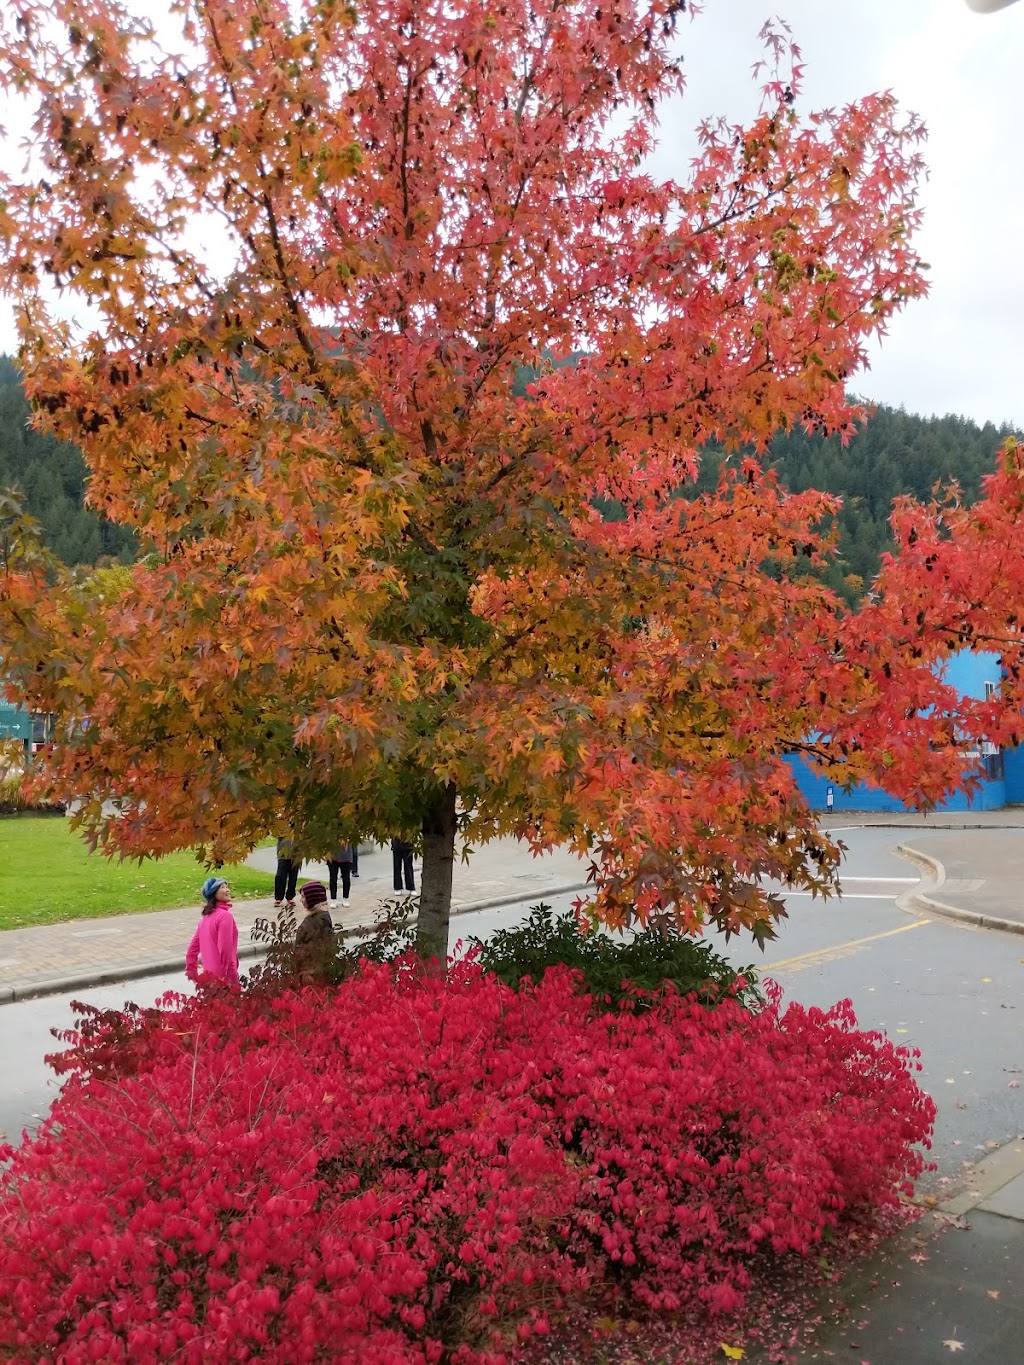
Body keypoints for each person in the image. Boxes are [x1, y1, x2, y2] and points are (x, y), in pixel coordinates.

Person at [185, 876, 240, 985]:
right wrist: (232, 980)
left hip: (209, 980)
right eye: (223, 887)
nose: (227, 889)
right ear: (214, 893)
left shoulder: (205, 919)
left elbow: (192, 951)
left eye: (227, 886)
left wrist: (193, 975)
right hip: (224, 979)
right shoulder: (225, 916)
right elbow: (225, 950)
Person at [294, 880, 335, 974]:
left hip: (311, 973)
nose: (301, 900)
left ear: (312, 898)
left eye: (303, 896)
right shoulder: (315, 915)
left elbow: (314, 952)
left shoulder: (319, 921)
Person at [274, 834, 300, 908]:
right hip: (283, 851)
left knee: (293, 875)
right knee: (280, 875)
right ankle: (278, 897)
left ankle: (290, 896)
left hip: (296, 852)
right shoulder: (281, 823)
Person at [326, 842, 355, 907]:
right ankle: (333, 899)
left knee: (346, 879)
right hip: (332, 857)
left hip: (346, 857)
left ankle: (345, 898)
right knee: (333, 878)